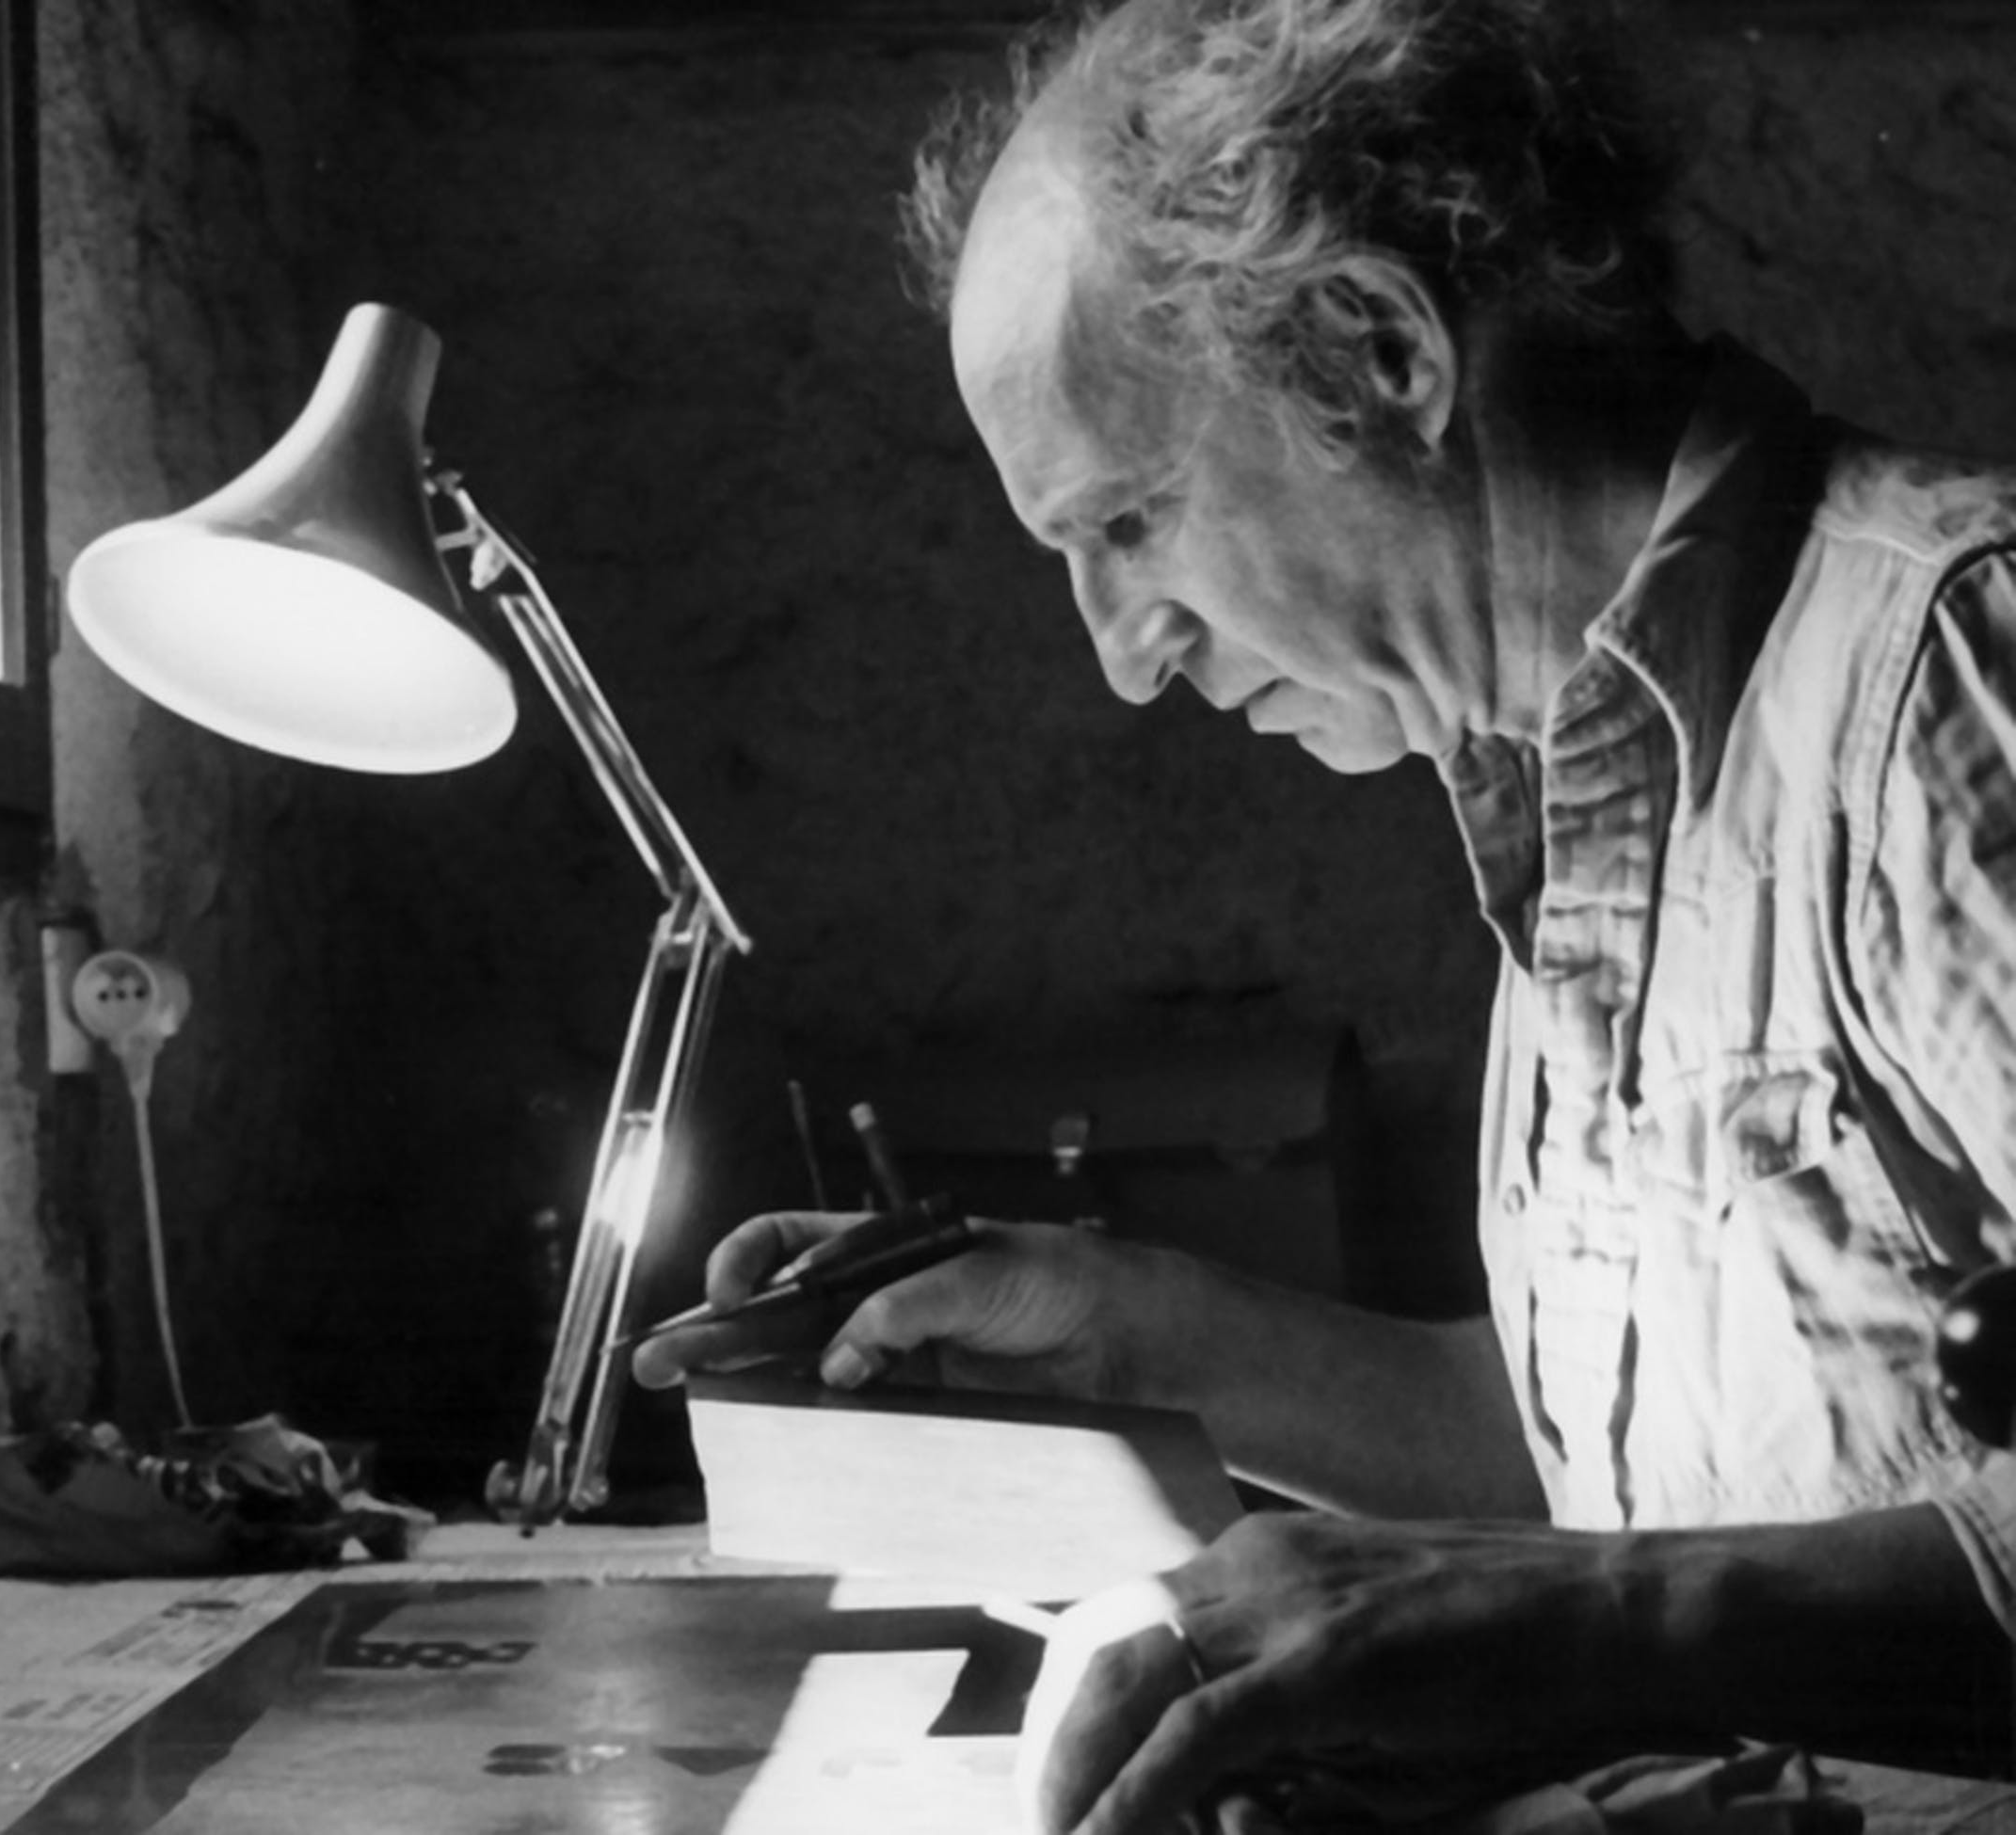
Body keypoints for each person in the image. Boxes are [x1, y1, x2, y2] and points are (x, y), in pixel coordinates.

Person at [639, 0, 2016, 1827]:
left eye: (1129, 523)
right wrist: (1127, 1331)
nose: (1126, 658)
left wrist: (1573, 1630)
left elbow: (1628, 1582)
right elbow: (1630, 1473)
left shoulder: (1952, 678)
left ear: (1381, 351)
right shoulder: (1559, 761)